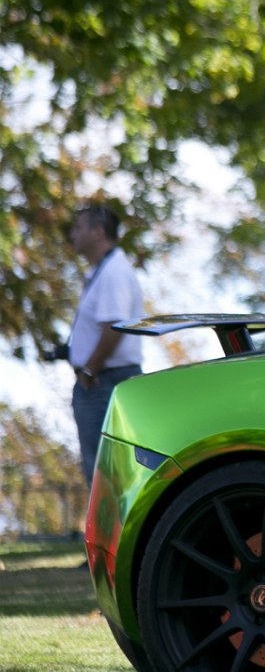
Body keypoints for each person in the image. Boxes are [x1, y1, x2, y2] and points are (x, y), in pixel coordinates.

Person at [67, 204, 144, 482]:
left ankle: (113, 528)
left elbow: (114, 328)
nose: (72, 234)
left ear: (98, 232)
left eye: (78, 227)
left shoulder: (114, 272)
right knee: (105, 474)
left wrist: (89, 370)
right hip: (103, 381)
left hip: (105, 382)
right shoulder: (104, 270)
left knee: (108, 477)